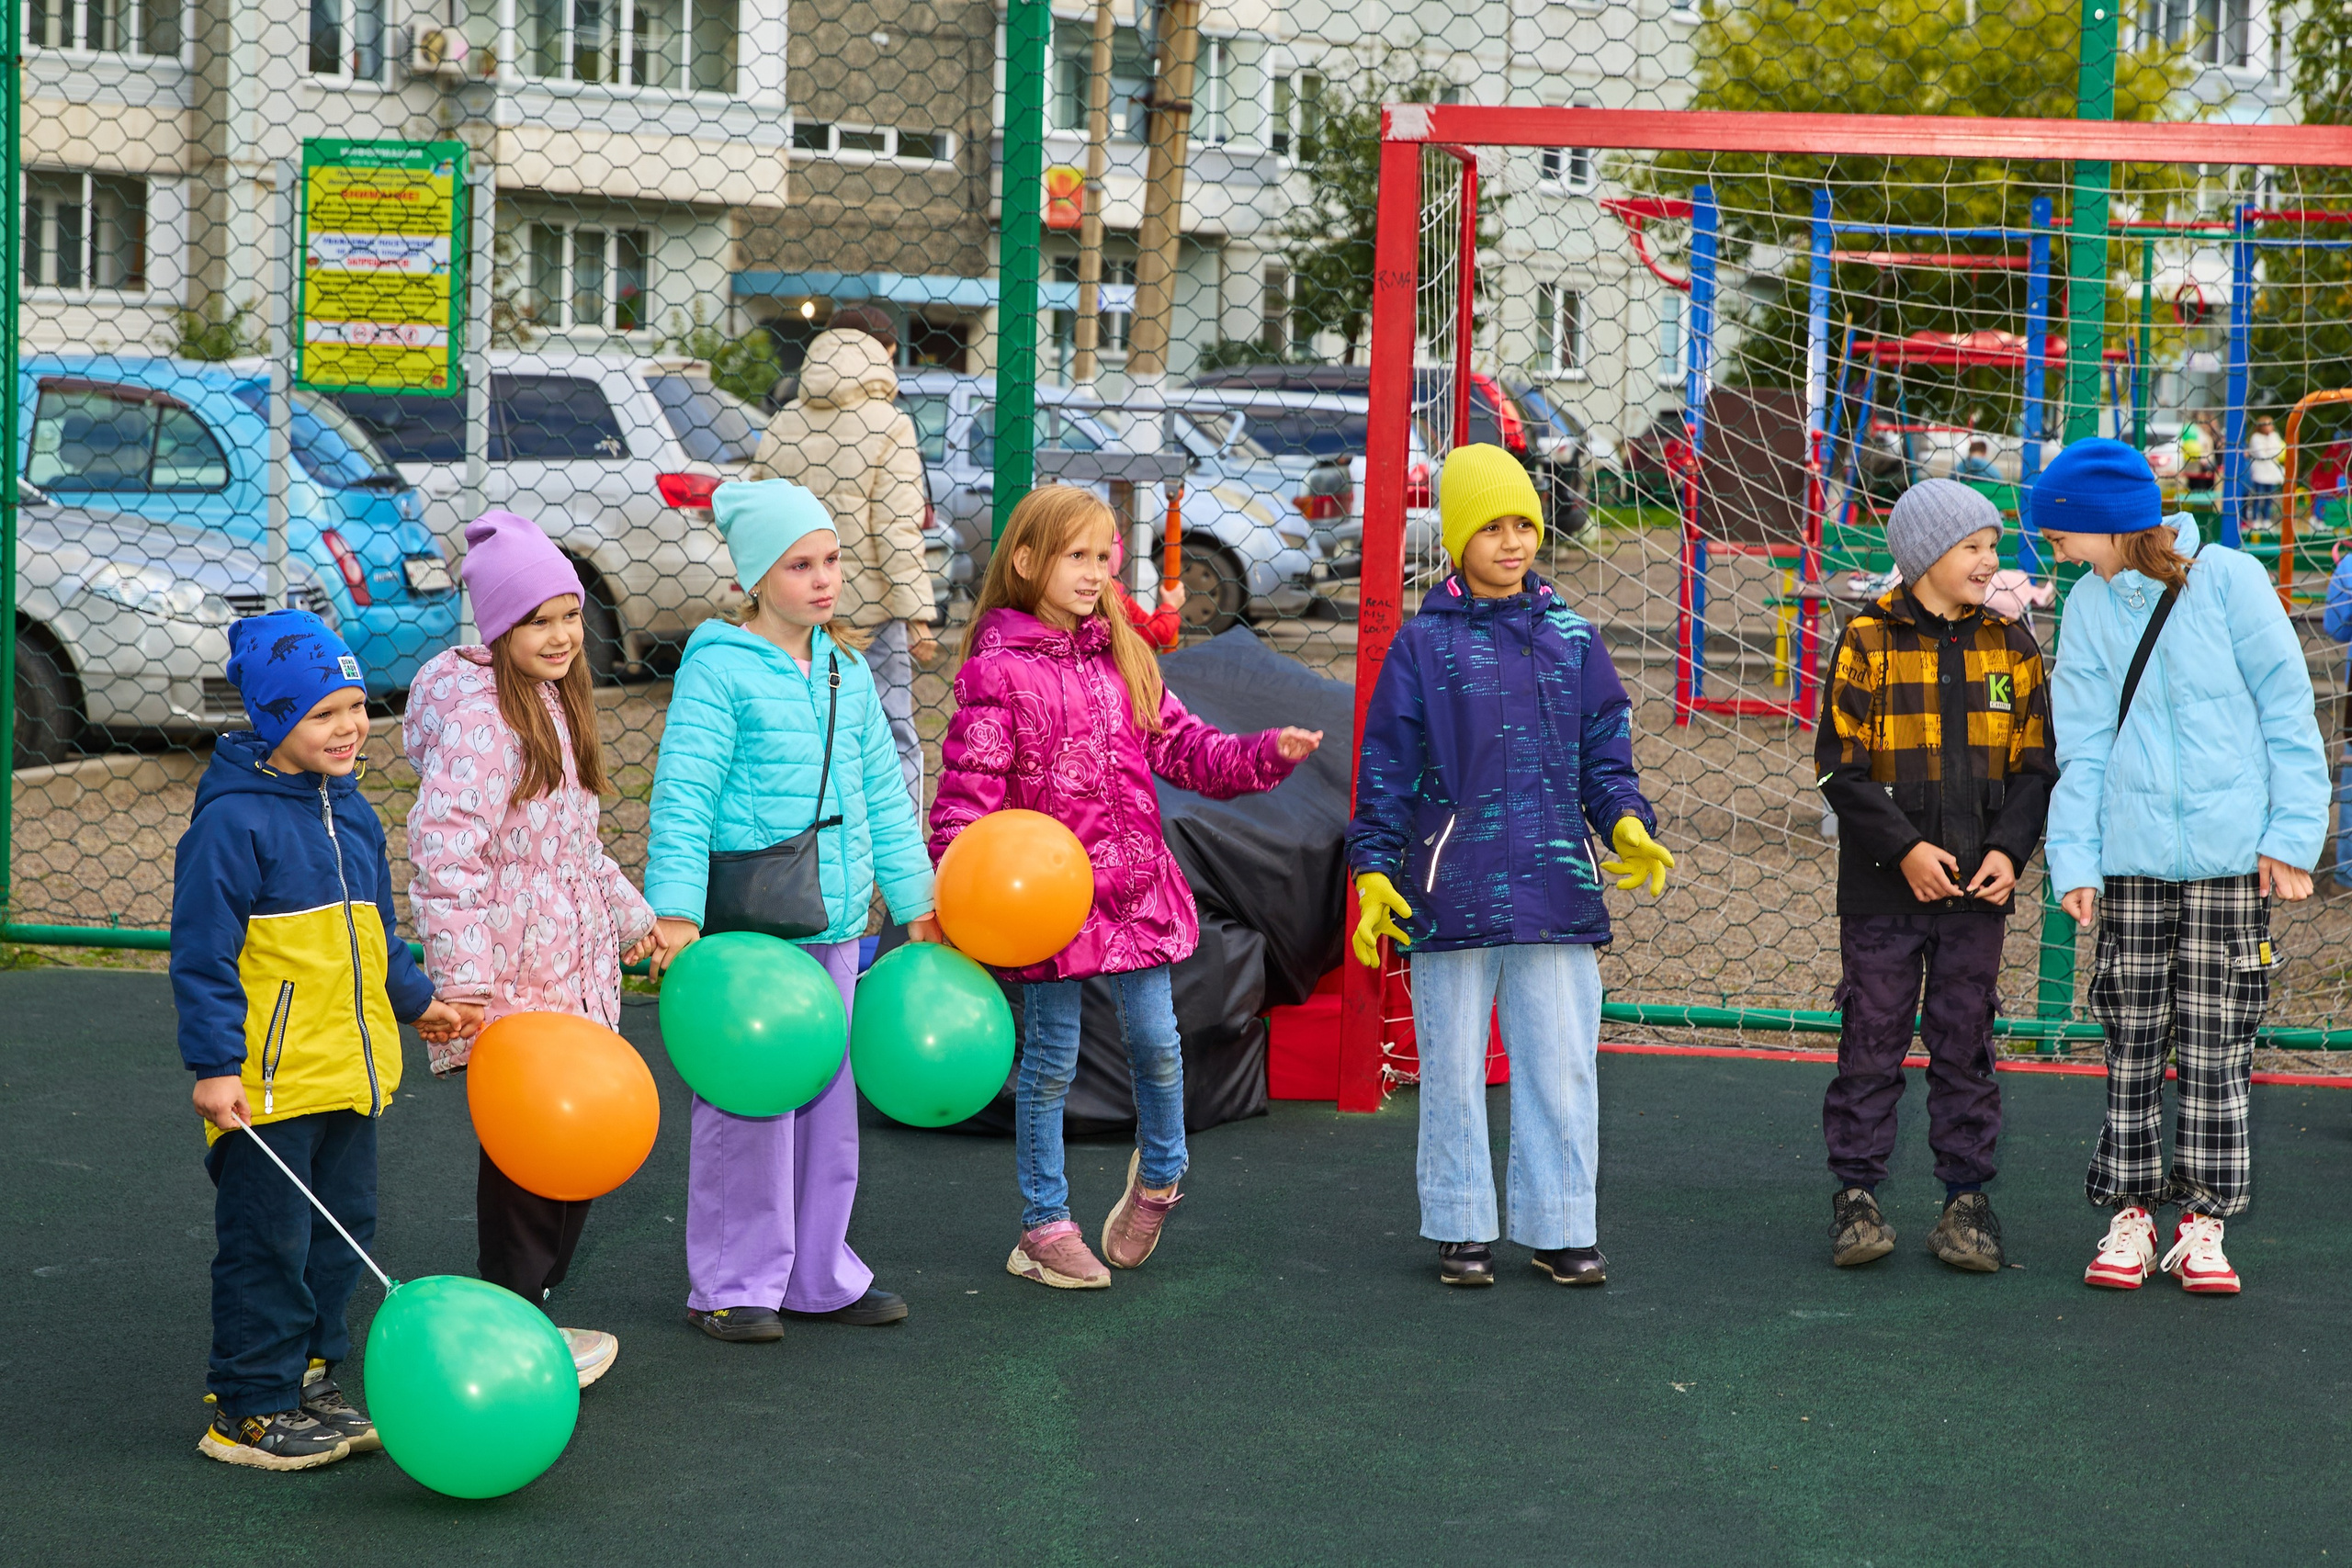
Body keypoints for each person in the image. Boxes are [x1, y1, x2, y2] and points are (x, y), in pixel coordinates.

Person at [931, 484, 1321, 1290]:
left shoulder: (1124, 656)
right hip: (1045, 903)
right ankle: (1043, 1224)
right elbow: (966, 799)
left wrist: (1266, 754)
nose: (1093, 571)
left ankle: (1161, 1178)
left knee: (1158, 1043)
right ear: (1028, 560)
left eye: (1104, 556)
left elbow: (1191, 752)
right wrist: (951, 892)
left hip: (1135, 890)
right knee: (1048, 1062)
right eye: (1075, 555)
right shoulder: (995, 672)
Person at [1345, 444, 1673, 1290]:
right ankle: (1460, 1223)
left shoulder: (1573, 639)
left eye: (1523, 522)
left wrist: (1628, 825)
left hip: (1558, 885)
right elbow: (1385, 769)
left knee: (1562, 1056)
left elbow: (1606, 757)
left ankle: (1562, 1224)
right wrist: (1374, 867)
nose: (1511, 540)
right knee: (1450, 1063)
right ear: (1456, 538)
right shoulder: (1421, 646)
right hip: (1447, 889)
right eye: (1490, 525)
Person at [645, 479, 942, 1341]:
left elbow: (886, 795)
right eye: (799, 564)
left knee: (828, 1100)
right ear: (754, 576)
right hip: (754, 932)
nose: (823, 580)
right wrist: (675, 909)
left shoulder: (848, 670)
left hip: (841, 921)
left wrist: (915, 900)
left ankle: (818, 1269)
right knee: (750, 1103)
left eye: (831, 560)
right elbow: (684, 794)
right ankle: (735, 1282)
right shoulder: (719, 670)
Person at [173, 611, 462, 1470]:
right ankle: (250, 1406)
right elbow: (202, 955)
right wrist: (215, 1067)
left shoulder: (353, 812)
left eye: (355, 705)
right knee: (269, 1238)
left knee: (346, 1231)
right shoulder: (233, 826)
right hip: (267, 1086)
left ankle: (308, 1375)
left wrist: (416, 1000)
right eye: (322, 714)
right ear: (271, 720)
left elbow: (377, 931)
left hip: (349, 1070)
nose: (348, 727)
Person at [2039, 438, 2329, 1296]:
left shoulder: (2231, 580)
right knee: (2131, 1036)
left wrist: (2291, 833)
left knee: (2216, 1041)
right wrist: (2076, 858)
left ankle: (2202, 1222)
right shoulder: (2086, 606)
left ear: (2103, 523)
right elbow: (2082, 744)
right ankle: (2130, 1212)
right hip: (2129, 863)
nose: (2048, 542)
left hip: (2231, 859)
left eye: (2059, 528)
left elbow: (2288, 706)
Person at [404, 509, 665, 1390]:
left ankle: (529, 1313)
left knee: (573, 1151)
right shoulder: (485, 723)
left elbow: (575, 849)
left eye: (567, 614)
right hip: (515, 983)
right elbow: (446, 851)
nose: (559, 635)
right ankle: (510, 1321)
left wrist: (637, 922)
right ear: (494, 628)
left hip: (573, 972)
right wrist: (466, 978)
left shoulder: (554, 701)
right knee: (526, 1164)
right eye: (536, 620)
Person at [1815, 479, 2055, 1273]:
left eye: (1992, 547)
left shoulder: (2011, 643)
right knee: (1872, 1039)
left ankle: (1966, 1202)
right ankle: (1856, 1196)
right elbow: (1839, 770)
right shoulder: (1868, 639)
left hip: (1977, 896)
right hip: (1885, 891)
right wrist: (1906, 852)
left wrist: (2006, 854)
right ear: (1924, 557)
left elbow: (2036, 766)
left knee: (1966, 1043)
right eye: (1973, 548)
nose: (1990, 561)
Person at [750, 326, 935, 810]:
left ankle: (810, 849)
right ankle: (899, 850)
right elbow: (897, 526)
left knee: (805, 736)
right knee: (892, 734)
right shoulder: (890, 423)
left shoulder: (784, 421)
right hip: (867, 614)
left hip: (791, 612)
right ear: (881, 362)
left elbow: (759, 515)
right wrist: (916, 612)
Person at [2247, 414, 2286, 524]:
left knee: (2269, 497)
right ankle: (2255, 519)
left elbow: (2278, 451)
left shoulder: (2274, 436)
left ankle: (2266, 519)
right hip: (2260, 471)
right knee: (2257, 496)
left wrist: (2268, 452)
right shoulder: (2256, 437)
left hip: (2271, 471)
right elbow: (2260, 454)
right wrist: (2269, 452)